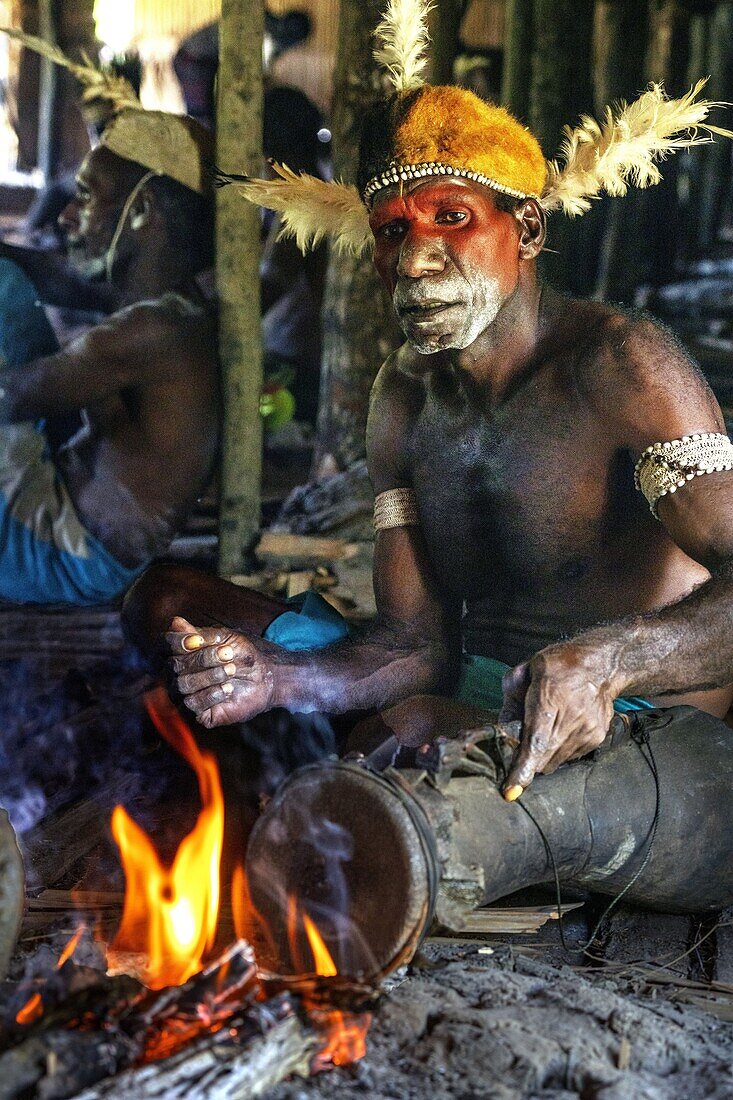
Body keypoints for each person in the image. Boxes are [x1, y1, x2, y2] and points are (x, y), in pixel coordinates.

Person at [127, 0, 733, 798]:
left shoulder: (620, 366)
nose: (415, 260)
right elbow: (412, 645)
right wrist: (278, 677)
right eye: (391, 232)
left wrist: (612, 659)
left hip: (632, 722)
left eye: (451, 219)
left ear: (526, 229)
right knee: (170, 602)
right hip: (460, 695)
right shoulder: (404, 396)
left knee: (405, 739)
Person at [0, 45, 219, 605]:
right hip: (67, 523)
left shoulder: (155, 330)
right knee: (6, 281)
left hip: (66, 555)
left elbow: (9, 397)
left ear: (142, 213)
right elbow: (53, 277)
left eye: (84, 198)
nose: (66, 218)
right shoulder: (170, 304)